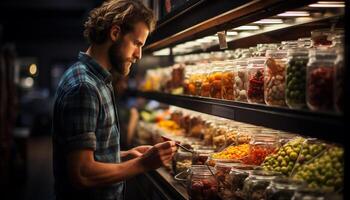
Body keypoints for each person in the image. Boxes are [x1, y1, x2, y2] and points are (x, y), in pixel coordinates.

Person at [52, 1, 177, 199]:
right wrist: (142, 164)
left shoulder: (98, 80)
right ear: (115, 33)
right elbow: (82, 173)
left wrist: (127, 155)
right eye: (137, 44)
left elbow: (91, 157)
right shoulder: (84, 87)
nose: (139, 55)